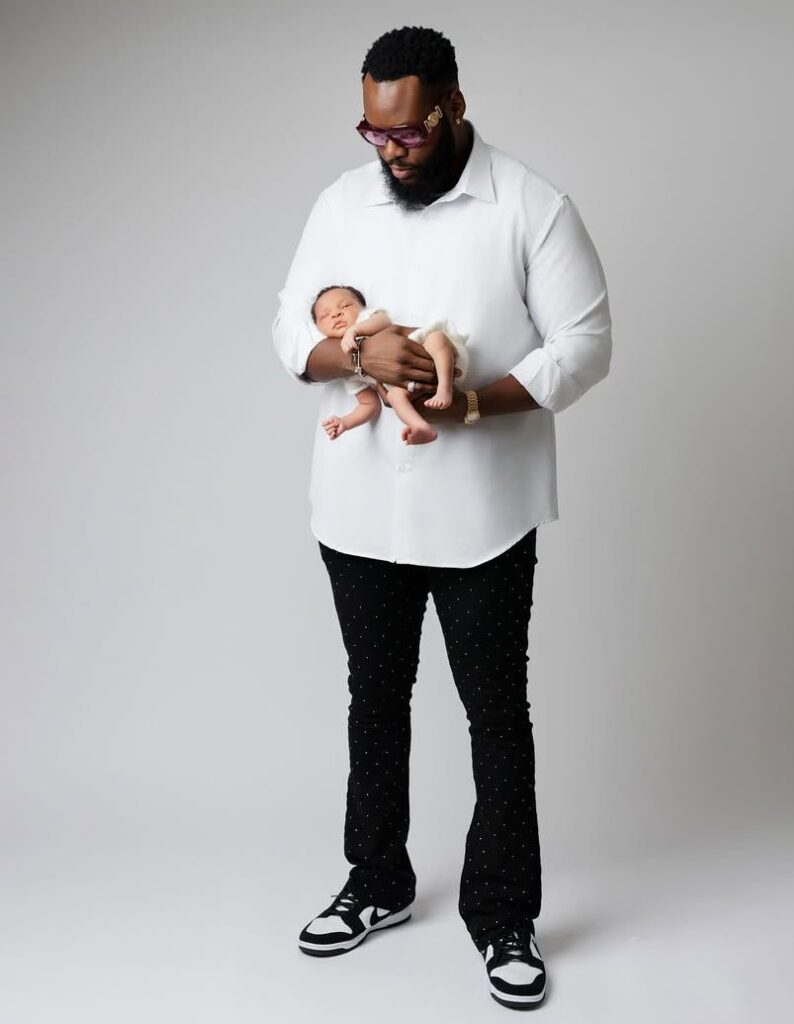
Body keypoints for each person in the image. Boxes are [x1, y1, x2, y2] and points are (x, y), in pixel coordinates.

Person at [271, 25, 612, 1010]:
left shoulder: (531, 206)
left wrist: (466, 404)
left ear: (452, 106)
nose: (390, 151)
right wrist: (355, 357)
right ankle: (376, 880)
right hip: (357, 510)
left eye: (407, 132)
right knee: (374, 701)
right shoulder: (340, 203)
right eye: (374, 132)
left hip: (485, 514)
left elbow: (584, 345)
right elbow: (290, 327)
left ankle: (503, 913)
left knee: (495, 713)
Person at [311, 284, 469, 443]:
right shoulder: (347, 369)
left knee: (436, 338)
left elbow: (383, 321)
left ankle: (444, 389)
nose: (336, 314)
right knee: (394, 396)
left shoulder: (365, 320)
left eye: (345, 306)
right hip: (412, 385)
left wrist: (354, 331)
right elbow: (369, 405)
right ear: (318, 329)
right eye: (325, 315)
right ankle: (420, 427)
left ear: (362, 308)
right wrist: (345, 422)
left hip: (434, 354)